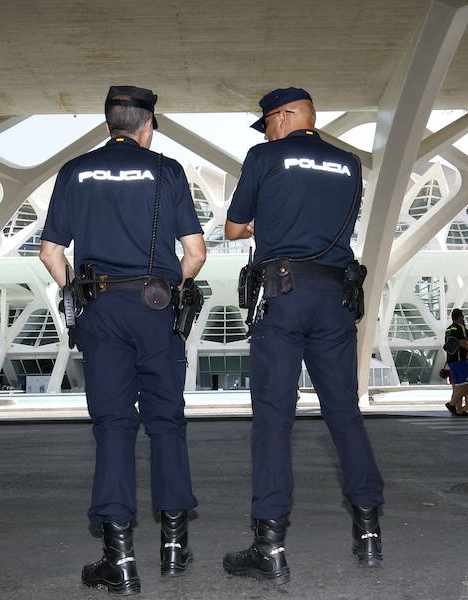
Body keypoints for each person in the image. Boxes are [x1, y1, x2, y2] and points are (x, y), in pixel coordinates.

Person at [39, 85, 206, 595]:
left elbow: (50, 253)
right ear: (147, 126)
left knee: (113, 425)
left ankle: (120, 558)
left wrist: (81, 293)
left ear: (108, 124)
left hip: (101, 306)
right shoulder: (167, 170)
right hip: (155, 306)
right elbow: (195, 253)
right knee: (167, 421)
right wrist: (166, 288)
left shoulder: (75, 171)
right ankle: (174, 547)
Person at [221, 87, 384, 583]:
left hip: (284, 296)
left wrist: (263, 227)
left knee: (274, 418)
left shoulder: (265, 156)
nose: (265, 131)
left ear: (285, 116)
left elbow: (233, 227)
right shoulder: (349, 163)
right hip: (335, 298)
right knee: (344, 414)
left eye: (267, 121)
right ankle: (369, 533)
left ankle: (268, 547)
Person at [443, 308, 468, 416]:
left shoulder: (448, 329)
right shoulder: (459, 327)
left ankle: (459, 409)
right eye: (462, 316)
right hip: (460, 359)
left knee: (458, 385)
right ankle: (452, 404)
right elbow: (462, 342)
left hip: (451, 360)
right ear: (460, 317)